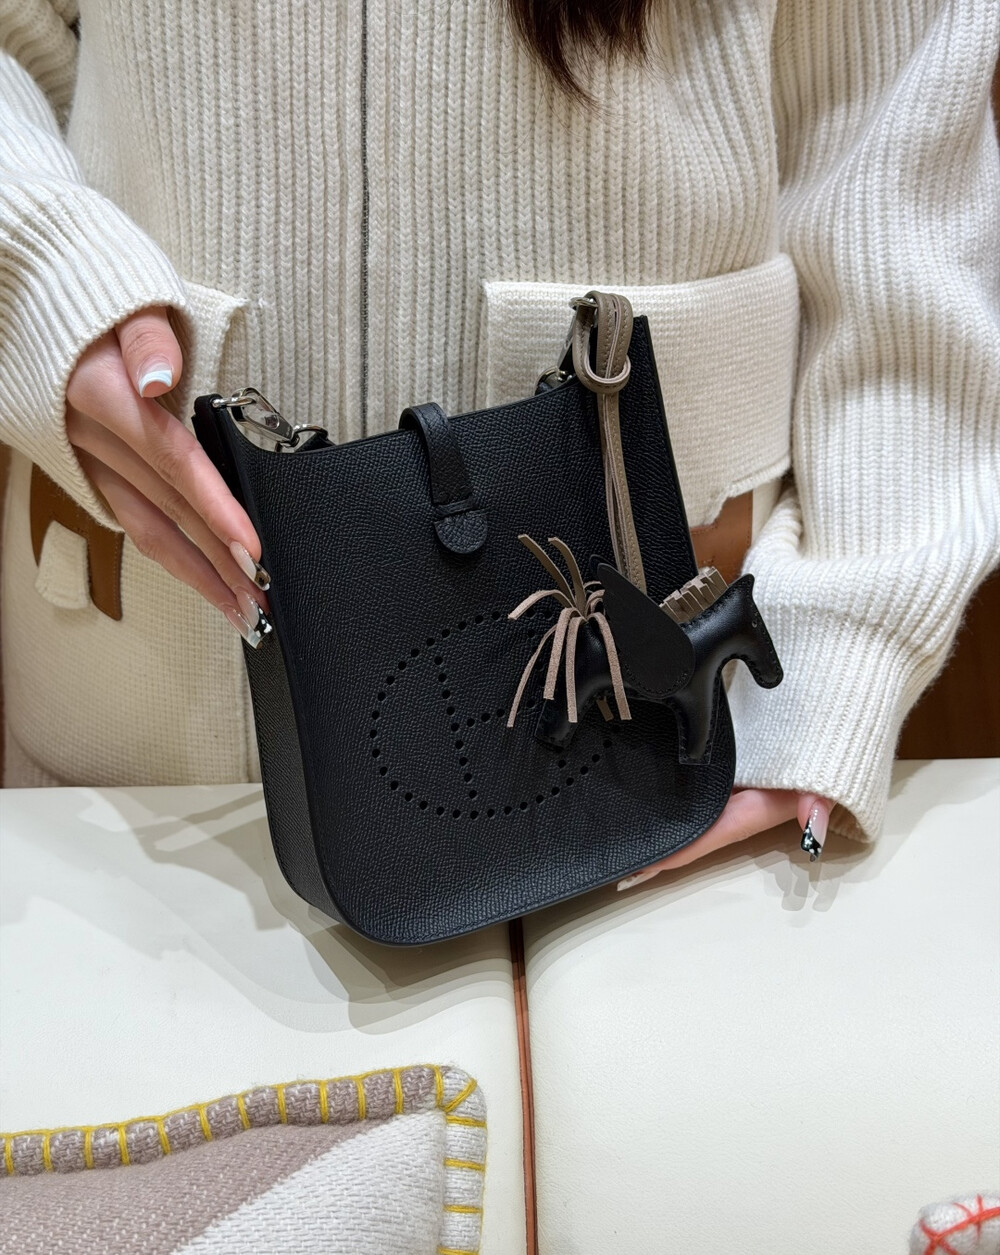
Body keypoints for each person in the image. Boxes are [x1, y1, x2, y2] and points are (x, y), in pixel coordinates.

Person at [0, 1, 997, 875]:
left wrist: (842, 647)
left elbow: (895, 142)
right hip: (147, 775)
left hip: (678, 769)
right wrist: (37, 262)